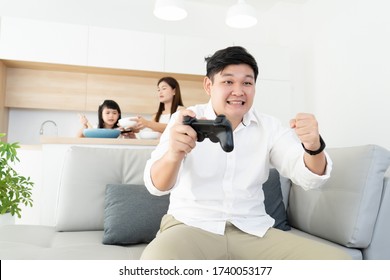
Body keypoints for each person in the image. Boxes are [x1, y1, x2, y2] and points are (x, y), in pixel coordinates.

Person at [141, 46, 351, 260]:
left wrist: (314, 146)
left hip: (253, 231)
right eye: (228, 81)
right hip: (190, 226)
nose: (239, 91)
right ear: (208, 85)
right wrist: (173, 155)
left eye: (247, 83)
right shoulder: (184, 120)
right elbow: (156, 186)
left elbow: (308, 177)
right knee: (154, 264)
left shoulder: (269, 127)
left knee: (339, 262)